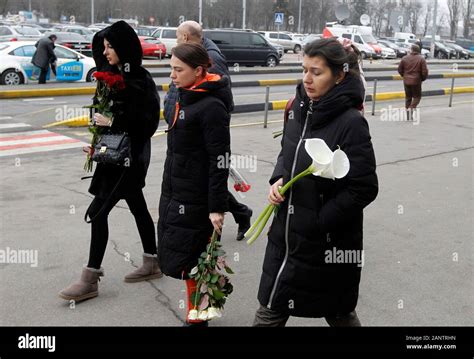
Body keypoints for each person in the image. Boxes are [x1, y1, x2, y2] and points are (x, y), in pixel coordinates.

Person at [253, 38, 379, 327]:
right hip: (285, 235)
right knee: (271, 305)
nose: (307, 79)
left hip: (325, 243)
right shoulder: (299, 108)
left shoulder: (350, 122)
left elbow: (364, 187)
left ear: (339, 75)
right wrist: (279, 179)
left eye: (317, 72)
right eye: (304, 69)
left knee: (337, 310)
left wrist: (318, 221)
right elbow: (288, 151)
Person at [59, 21, 161, 302]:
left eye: (110, 46)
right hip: (111, 158)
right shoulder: (109, 77)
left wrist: (114, 120)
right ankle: (152, 261)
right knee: (138, 206)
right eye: (103, 47)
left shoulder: (139, 79)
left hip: (130, 158)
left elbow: (148, 122)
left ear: (124, 48)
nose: (105, 52)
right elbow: (102, 120)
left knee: (97, 212)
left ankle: (90, 278)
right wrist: (96, 145)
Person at [158, 42, 232, 326]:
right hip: (177, 190)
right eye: (171, 69)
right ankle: (200, 309)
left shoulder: (211, 107)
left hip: (198, 197)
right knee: (188, 256)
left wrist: (217, 207)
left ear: (199, 70)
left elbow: (220, 160)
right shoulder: (185, 96)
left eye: (178, 70)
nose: (172, 76)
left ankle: (199, 314)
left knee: (196, 256)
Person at [163, 20, 253, 242]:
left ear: (185, 37)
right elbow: (179, 92)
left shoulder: (210, 58)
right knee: (201, 184)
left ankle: (239, 212)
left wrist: (210, 127)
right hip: (184, 128)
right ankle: (240, 212)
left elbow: (219, 94)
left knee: (209, 181)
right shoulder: (188, 57)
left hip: (202, 134)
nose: (173, 75)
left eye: (177, 70)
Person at [398, 44, 428, 121]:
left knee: (408, 97)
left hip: (406, 81)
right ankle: (411, 109)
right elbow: (424, 72)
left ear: (412, 50)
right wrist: (422, 79)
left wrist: (404, 76)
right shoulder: (421, 59)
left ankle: (408, 116)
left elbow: (399, 69)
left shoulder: (404, 58)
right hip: (416, 81)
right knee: (417, 97)